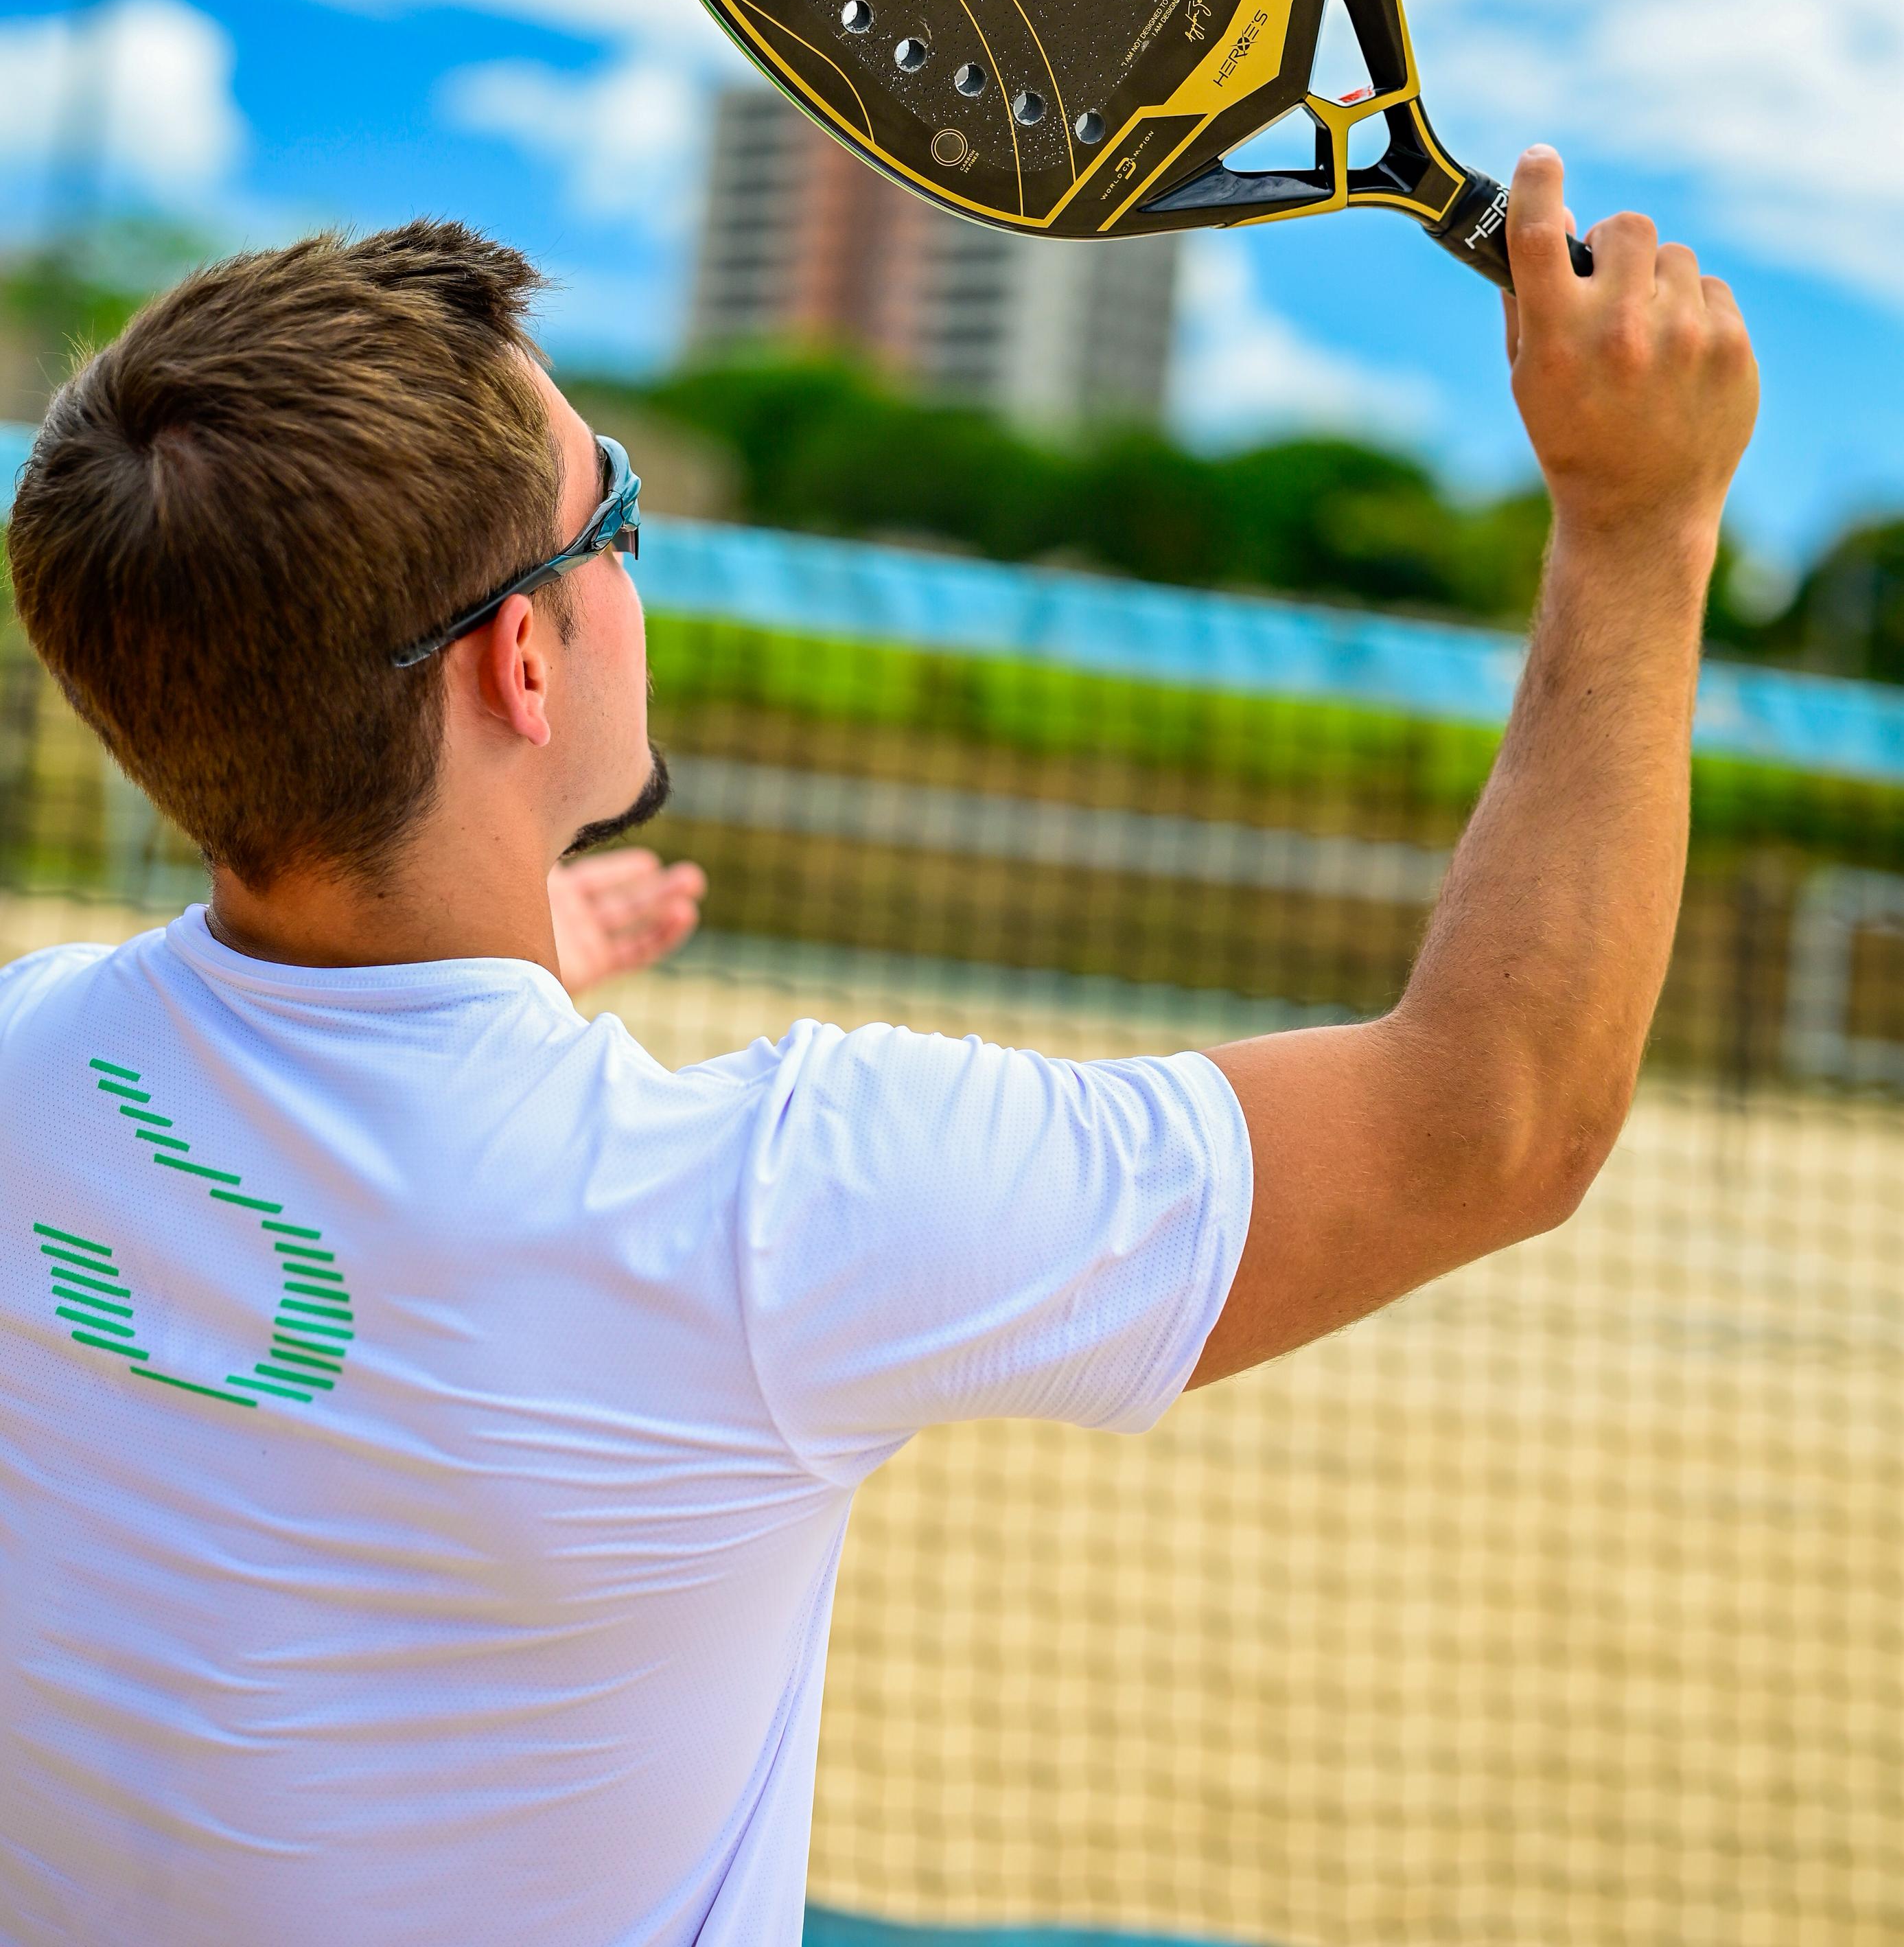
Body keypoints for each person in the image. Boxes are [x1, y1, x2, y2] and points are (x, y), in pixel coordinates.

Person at [0, 153, 1756, 1947]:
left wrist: (478, 994)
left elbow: (332, 1198)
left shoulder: (24, 1060)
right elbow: (1496, 1116)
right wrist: (1640, 531)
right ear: (523, 660)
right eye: (616, 524)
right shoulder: (763, 1218)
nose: (634, 569)